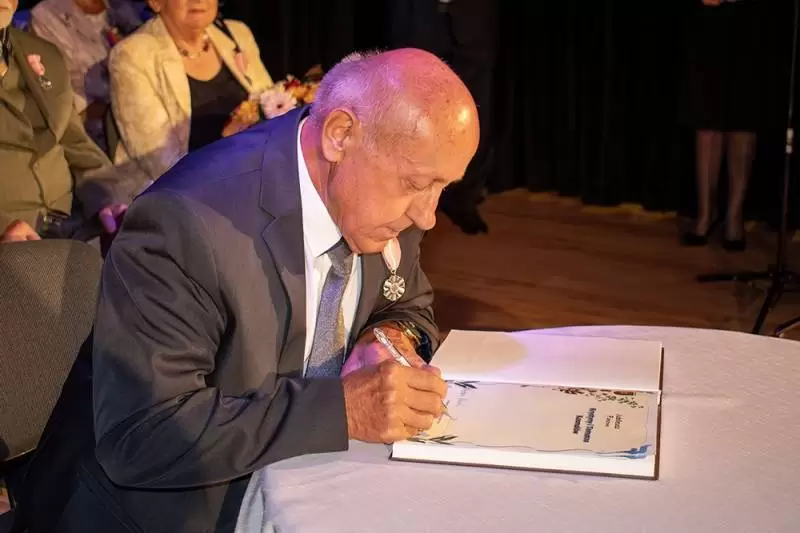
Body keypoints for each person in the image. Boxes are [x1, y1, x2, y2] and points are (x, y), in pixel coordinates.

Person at [13, 48, 479, 532]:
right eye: (417, 184)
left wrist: (385, 340)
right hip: (163, 511)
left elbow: (407, 305)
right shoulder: (188, 224)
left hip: (308, 478)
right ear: (340, 135)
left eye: (442, 188)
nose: (428, 216)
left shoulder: (382, 193)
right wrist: (342, 409)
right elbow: (143, 434)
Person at [0, 0, 130, 243]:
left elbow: (77, 146)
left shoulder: (42, 53)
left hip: (75, 229)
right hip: (13, 243)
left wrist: (109, 200)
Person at [107, 0, 273, 182]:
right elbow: (162, 164)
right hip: (186, 189)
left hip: (256, 172)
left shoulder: (237, 34)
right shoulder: (133, 56)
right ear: (156, 3)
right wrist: (227, 147)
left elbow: (272, 107)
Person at [388, 0, 498, 234]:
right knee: (414, 115)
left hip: (473, 22)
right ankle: (412, 203)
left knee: (474, 115)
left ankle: (463, 199)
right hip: (418, 21)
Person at [680, 0, 767, 251]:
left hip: (752, 17)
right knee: (707, 119)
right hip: (709, 17)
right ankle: (706, 213)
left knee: (743, 118)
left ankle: (734, 216)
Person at [30, 0, 144, 151]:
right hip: (97, 134)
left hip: (142, 111)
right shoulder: (46, 16)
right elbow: (58, 93)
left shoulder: (123, 6)